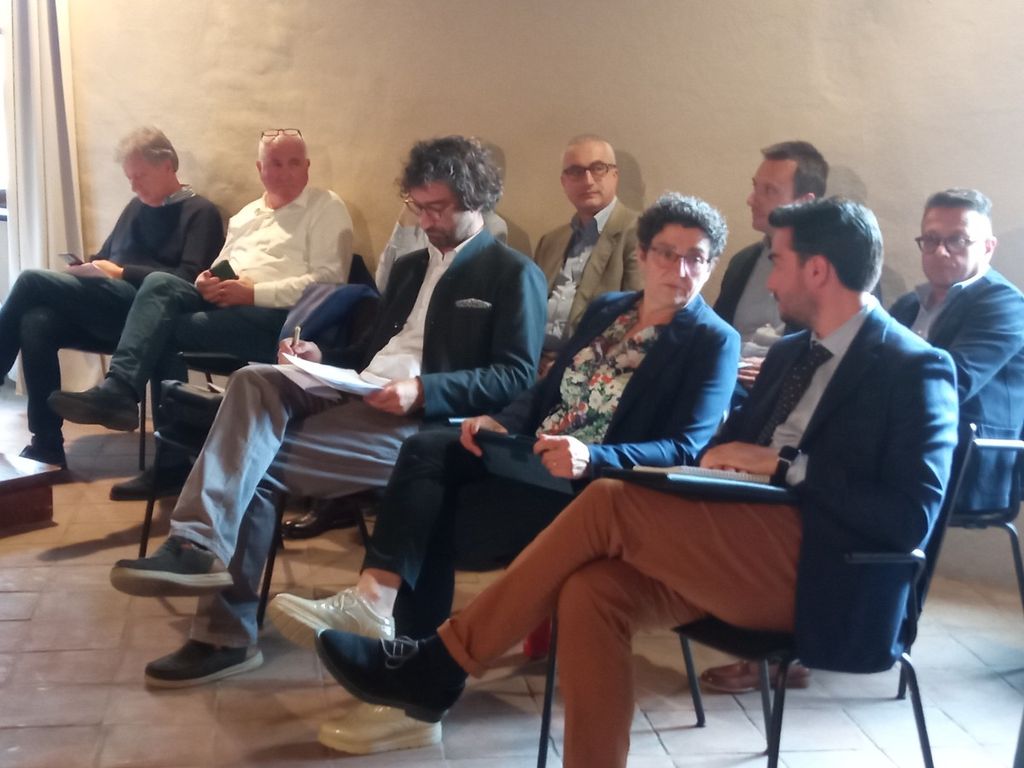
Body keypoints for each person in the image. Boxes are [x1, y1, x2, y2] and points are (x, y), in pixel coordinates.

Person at [311, 197, 960, 768]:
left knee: (611, 500)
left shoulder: (914, 367)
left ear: (817, 270)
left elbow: (910, 516)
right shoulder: (791, 353)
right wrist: (714, 469)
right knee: (592, 592)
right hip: (737, 537)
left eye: (779, 261)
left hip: (827, 570)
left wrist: (786, 467)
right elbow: (716, 451)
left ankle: (438, 664)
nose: (771, 277)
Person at [268, 193, 739, 754]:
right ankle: (376, 609)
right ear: (643, 254)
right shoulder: (609, 310)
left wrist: (593, 458)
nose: (680, 270)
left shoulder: (714, 341)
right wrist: (499, 419)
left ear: (711, 265)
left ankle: (413, 694)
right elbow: (545, 389)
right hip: (532, 457)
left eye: (696, 258)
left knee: (432, 518)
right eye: (667, 253)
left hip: (596, 492)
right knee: (429, 448)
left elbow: (685, 447)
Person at [106, 135, 548, 688]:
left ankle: (222, 633)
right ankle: (195, 545)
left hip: (424, 428)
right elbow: (371, 354)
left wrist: (424, 390)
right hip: (362, 393)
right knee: (254, 379)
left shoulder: (512, 274)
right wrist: (323, 359)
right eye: (418, 207)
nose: (427, 221)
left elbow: (515, 376)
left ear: (477, 199)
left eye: (439, 208)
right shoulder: (411, 267)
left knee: (252, 464)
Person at [0, 126, 224, 467]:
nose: (133, 186)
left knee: (31, 281)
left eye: (140, 176)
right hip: (107, 306)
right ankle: (46, 442)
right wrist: (87, 268)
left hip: (149, 312)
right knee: (36, 321)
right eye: (129, 178)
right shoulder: (135, 208)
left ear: (168, 166)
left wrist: (121, 273)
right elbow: (104, 256)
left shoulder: (201, 212)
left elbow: (187, 280)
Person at [891, 188, 1024, 512]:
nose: (941, 251)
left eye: (958, 240)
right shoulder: (908, 305)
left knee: (830, 479)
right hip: (901, 443)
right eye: (931, 239)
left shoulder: (1006, 305)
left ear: (988, 248)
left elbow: (952, 382)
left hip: (968, 457)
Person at [714, 141, 827, 392]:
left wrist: (780, 371)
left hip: (784, 394)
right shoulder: (742, 263)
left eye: (769, 191)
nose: (751, 199)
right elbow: (714, 334)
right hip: (725, 383)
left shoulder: (827, 272)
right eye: (755, 187)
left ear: (805, 202)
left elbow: (836, 354)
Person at [533, 135, 642, 372]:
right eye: (576, 171)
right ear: (564, 182)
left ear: (615, 175)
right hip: (532, 363)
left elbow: (638, 320)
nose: (587, 180)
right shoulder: (550, 241)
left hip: (590, 371)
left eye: (598, 168)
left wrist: (569, 367)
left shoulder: (639, 234)